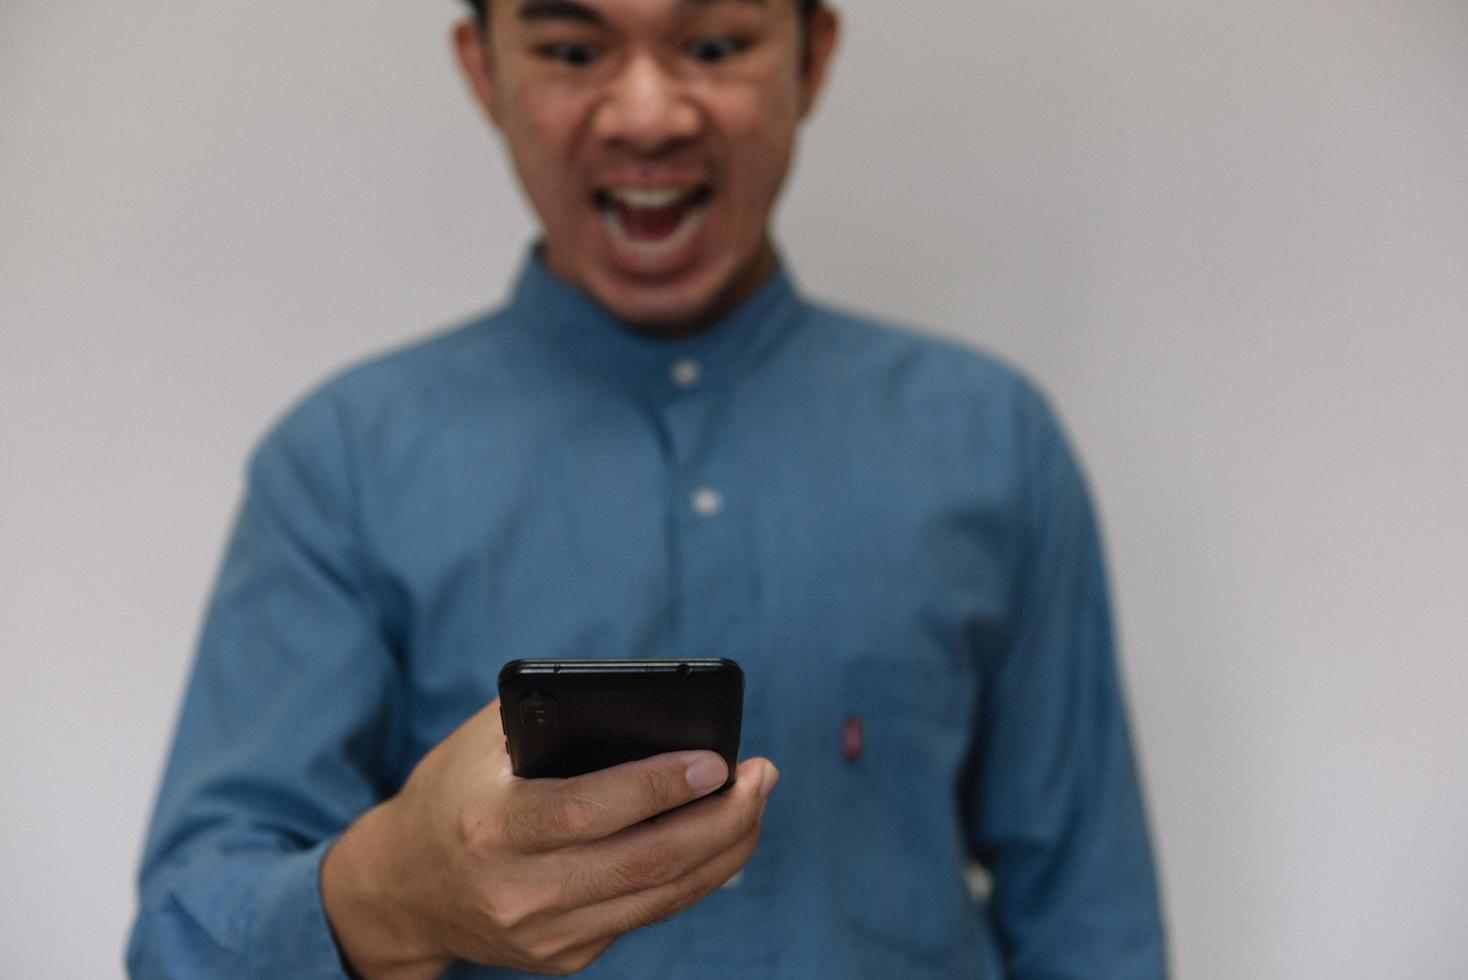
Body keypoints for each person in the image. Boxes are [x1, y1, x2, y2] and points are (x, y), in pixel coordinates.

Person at [128, 0, 1167, 976]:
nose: (646, 115)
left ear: (812, 55)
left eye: (713, 45)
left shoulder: (991, 439)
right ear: (481, 67)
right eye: (573, 51)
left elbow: (1090, 920)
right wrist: (391, 889)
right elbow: (182, 931)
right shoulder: (340, 462)